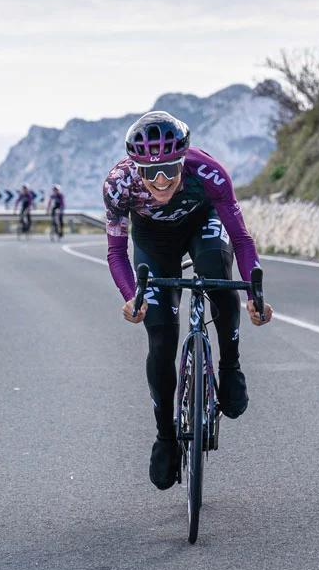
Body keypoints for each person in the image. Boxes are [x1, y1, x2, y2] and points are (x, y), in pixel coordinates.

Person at [104, 111, 274, 490]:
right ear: (136, 169)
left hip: (202, 223)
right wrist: (132, 297)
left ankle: (230, 367)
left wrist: (255, 294)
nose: (160, 180)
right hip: (153, 241)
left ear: (183, 160)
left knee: (216, 273)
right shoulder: (119, 184)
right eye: (150, 173)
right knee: (161, 339)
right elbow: (116, 251)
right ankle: (166, 438)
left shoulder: (208, 172)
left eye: (169, 169)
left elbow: (242, 240)